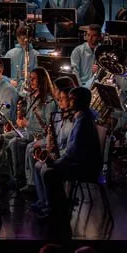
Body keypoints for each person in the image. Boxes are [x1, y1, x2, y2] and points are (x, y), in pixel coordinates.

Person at [37, 86, 102, 226]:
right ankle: (57, 209)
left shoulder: (83, 121)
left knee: (50, 173)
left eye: (72, 99)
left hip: (86, 168)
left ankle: (57, 212)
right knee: (49, 171)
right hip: (82, 163)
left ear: (79, 101)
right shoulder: (83, 117)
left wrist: (56, 163)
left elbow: (73, 152)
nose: (69, 102)